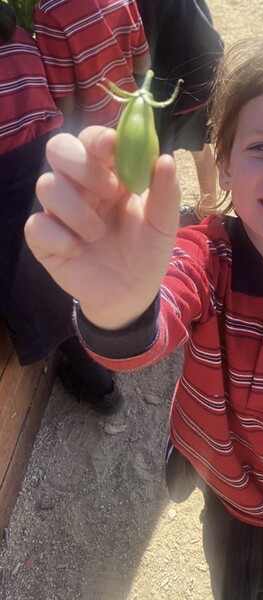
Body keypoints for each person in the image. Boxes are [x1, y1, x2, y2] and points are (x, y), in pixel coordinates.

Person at [25, 34, 263, 599]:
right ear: (224, 163)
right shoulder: (206, 253)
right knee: (230, 581)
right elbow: (153, 324)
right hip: (224, 486)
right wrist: (119, 307)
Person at [0, 1, 123, 416]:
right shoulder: (18, 39)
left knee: (35, 290)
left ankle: (102, 389)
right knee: (74, 265)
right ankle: (114, 349)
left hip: (12, 179)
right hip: (55, 162)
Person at [136, 0, 224, 210]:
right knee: (200, 147)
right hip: (205, 67)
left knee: (162, 154)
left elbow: (142, 59)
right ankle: (208, 213)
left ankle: (169, 218)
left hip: (172, 81)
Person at [33, 0, 150, 131]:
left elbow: (66, 105)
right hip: (135, 119)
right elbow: (143, 65)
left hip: (92, 135)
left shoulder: (49, 11)